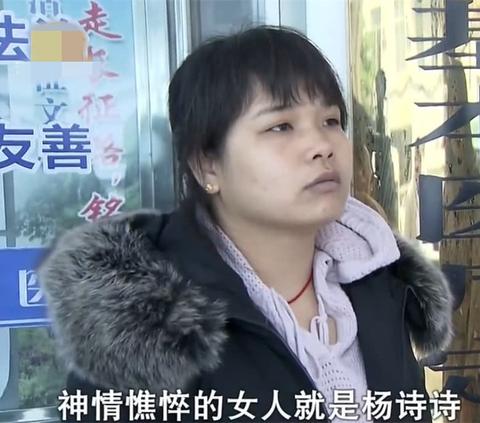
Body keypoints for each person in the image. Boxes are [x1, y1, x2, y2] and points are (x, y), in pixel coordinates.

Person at [38, 25, 453, 423]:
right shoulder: (142, 327)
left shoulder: (378, 281)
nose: (322, 146)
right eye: (280, 126)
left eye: (330, 121)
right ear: (207, 165)